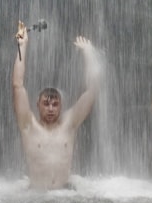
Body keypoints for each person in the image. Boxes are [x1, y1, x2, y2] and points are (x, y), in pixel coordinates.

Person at [12, 21, 101, 191]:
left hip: (64, 195)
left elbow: (92, 90)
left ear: (61, 106)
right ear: (37, 105)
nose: (51, 108)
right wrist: (22, 46)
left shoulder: (69, 123)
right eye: (46, 103)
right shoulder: (28, 124)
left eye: (55, 104)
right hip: (36, 197)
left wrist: (89, 53)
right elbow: (17, 84)